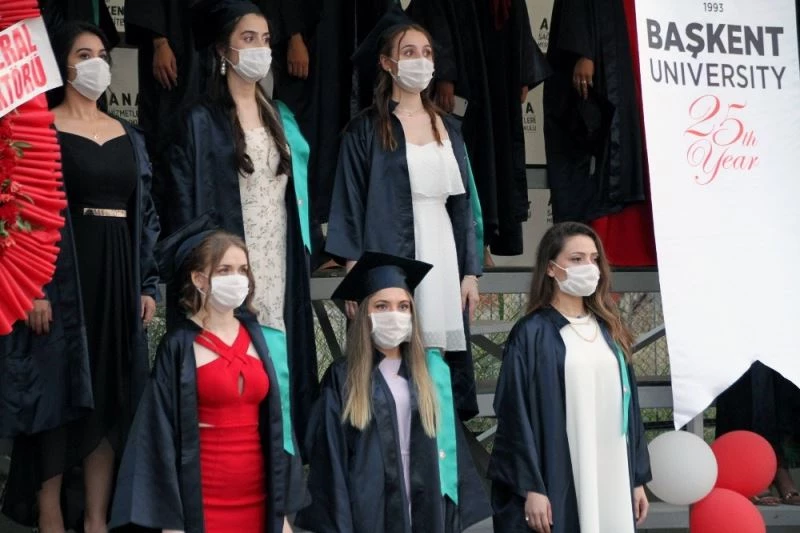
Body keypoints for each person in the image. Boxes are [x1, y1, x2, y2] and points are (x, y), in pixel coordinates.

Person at [2, 21, 160, 533]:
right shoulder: (38, 131)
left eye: (102, 55)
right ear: (62, 65)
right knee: (56, 395)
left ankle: (96, 518)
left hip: (117, 278)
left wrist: (146, 284)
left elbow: (146, 216)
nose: (97, 63)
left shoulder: (129, 135)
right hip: (61, 282)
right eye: (84, 54)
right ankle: (49, 514)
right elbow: (19, 214)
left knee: (110, 397)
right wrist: (31, 288)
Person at [164, 0, 318, 452]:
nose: (260, 49)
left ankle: (282, 467)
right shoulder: (199, 121)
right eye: (248, 39)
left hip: (278, 259)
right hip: (231, 261)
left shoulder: (280, 116)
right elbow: (184, 204)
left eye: (265, 40)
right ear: (223, 50)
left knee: (280, 359)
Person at [325, 8, 482, 420]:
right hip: (388, 250)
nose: (421, 61)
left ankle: (439, 440)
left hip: (442, 250)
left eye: (427, 53)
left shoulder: (450, 128)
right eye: (409, 52)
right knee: (392, 351)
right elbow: (349, 202)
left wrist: (470, 272)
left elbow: (463, 205)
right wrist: (356, 276)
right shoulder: (365, 130)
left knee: (437, 354)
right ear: (386, 63)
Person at [110, 229, 307, 533]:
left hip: (260, 499)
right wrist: (171, 522)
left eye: (243, 270)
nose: (237, 278)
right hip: (202, 504)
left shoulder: (262, 338)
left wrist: (280, 512)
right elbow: (158, 432)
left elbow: (278, 423)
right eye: (224, 270)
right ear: (199, 279)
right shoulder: (178, 346)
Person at [294, 251, 491, 532]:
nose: (394, 315)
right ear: (365, 313)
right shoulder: (343, 377)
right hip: (368, 507)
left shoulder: (430, 373)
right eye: (382, 306)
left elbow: (450, 453)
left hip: (424, 499)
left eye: (403, 306)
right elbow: (330, 459)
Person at [488, 222, 651, 533]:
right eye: (576, 259)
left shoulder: (610, 330)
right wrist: (531, 486)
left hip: (612, 470)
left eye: (594, 259)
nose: (589, 267)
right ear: (551, 268)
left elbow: (631, 410)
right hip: (559, 471)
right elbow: (513, 412)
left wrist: (636, 478)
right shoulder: (531, 333)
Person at [409, 0, 551, 257]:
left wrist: (523, 73)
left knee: (496, 163)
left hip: (500, 81)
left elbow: (517, 15)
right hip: (465, 81)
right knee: (465, 159)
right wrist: (445, 74)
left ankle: (483, 242)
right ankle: (463, 244)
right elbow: (434, 15)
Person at [544, 0, 646, 225]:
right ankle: (579, 232)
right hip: (589, 56)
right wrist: (584, 53)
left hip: (617, 43)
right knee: (580, 139)